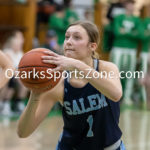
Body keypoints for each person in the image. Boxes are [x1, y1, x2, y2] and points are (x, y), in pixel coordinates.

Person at [17, 21, 125, 150]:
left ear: (92, 46)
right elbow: (23, 132)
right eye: (67, 37)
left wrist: (77, 65)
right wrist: (34, 95)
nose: (68, 41)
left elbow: (116, 94)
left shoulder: (107, 69)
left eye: (77, 37)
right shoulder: (58, 82)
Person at [110, 0, 141, 105]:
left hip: (131, 49)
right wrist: (131, 32)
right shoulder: (119, 18)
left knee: (130, 73)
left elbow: (139, 34)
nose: (131, 6)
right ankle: (113, 95)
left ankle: (127, 97)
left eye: (133, 4)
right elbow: (117, 32)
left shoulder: (137, 20)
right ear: (125, 5)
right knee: (115, 72)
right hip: (118, 48)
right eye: (129, 4)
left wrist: (125, 32)